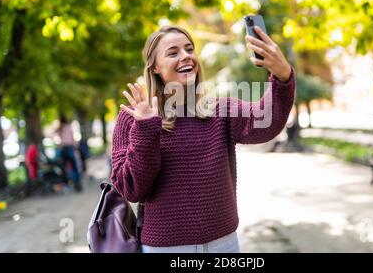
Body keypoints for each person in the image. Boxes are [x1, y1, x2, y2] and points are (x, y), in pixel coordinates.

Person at [111, 25, 296, 253]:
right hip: (165, 249)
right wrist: (146, 128)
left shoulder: (219, 110)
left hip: (224, 244)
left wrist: (283, 75)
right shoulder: (133, 117)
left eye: (189, 49)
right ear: (155, 67)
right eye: (173, 52)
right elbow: (130, 189)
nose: (186, 56)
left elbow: (268, 123)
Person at [57, 114, 82, 192]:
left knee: (64, 167)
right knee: (74, 167)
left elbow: (58, 138)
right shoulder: (69, 127)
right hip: (70, 148)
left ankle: (66, 182)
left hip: (63, 148)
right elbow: (73, 138)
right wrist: (76, 147)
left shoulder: (60, 128)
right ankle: (77, 183)